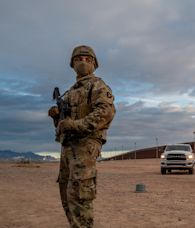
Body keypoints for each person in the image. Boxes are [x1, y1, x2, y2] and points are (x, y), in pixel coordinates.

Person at [48, 45, 115, 227]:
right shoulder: (70, 92)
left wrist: (76, 124)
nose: (83, 62)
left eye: (87, 59)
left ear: (94, 64)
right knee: (67, 193)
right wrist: (58, 118)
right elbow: (65, 125)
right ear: (72, 64)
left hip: (85, 146)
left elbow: (105, 112)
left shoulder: (98, 85)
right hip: (68, 147)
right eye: (78, 59)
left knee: (80, 195)